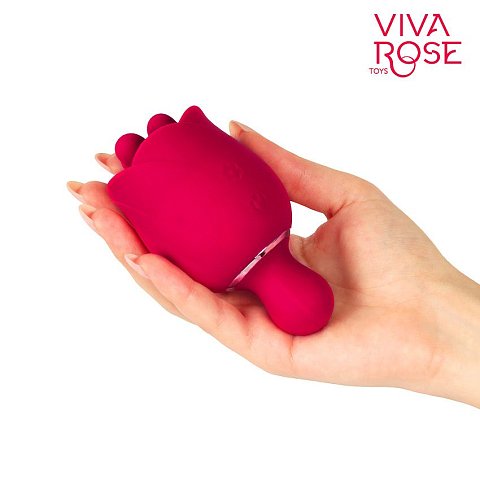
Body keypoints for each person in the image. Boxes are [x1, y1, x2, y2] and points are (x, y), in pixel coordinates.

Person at [66, 120, 480, 408]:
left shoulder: (241, 249)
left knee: (138, 153)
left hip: (178, 161)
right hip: (185, 155)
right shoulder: (276, 218)